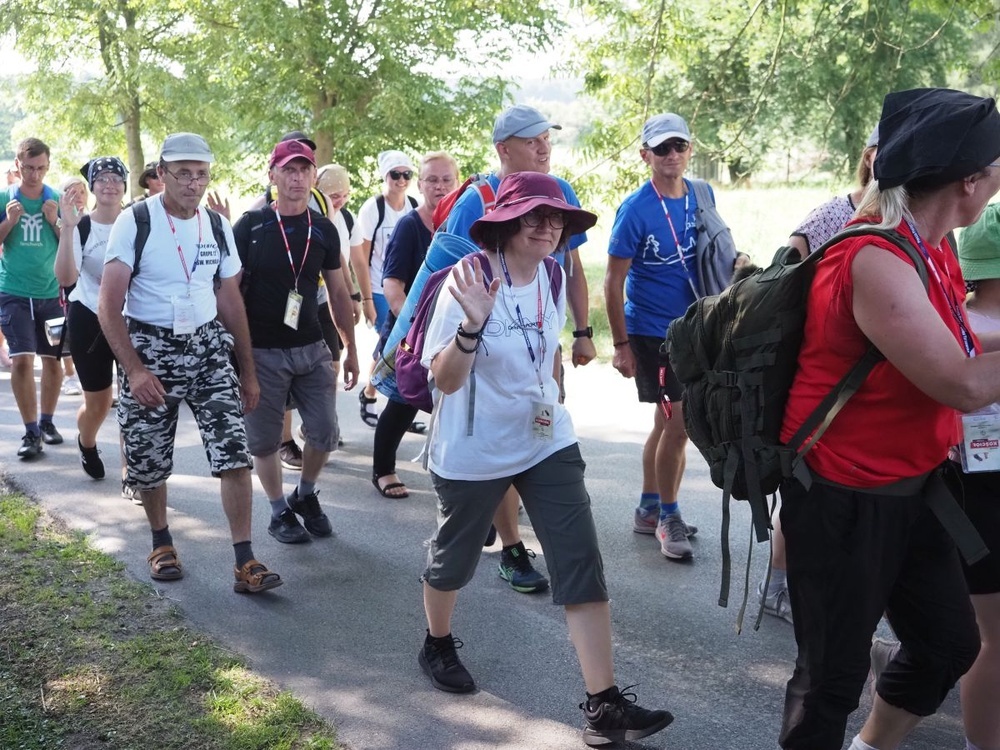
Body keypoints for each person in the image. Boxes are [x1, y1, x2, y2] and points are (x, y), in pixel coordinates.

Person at [777, 87, 1000, 750]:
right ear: (968, 181)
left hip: (911, 488)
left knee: (949, 643)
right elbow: (960, 382)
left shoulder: (932, 246)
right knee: (830, 681)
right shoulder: (873, 256)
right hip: (842, 496)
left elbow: (956, 336)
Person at [417, 171, 673, 746]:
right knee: (453, 562)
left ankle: (604, 705)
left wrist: (552, 398)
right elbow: (445, 381)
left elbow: (546, 349)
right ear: (505, 224)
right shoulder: (468, 277)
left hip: (544, 439)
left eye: (556, 218)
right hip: (475, 448)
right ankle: (437, 642)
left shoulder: (553, 275)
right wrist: (471, 326)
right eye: (534, 216)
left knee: (580, 559)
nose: (548, 226)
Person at [97, 132, 281, 594]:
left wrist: (248, 371)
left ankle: (245, 560)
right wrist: (135, 369)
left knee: (233, 451)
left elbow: (230, 299)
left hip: (207, 348)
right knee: (148, 459)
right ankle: (161, 542)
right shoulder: (135, 221)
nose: (193, 183)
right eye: (182, 173)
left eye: (201, 174)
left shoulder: (216, 226)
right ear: (162, 173)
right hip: (149, 348)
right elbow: (108, 305)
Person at [442, 103, 598, 593]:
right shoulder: (475, 200)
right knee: (501, 444)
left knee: (534, 428)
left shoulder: (561, 192)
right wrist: (468, 328)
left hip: (536, 350)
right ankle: (510, 544)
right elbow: (450, 277)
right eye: (532, 140)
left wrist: (581, 332)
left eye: (546, 138)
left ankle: (510, 534)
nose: (544, 147)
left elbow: (570, 269)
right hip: (479, 358)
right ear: (503, 149)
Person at [605, 113, 746, 560]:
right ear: (645, 155)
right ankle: (668, 516)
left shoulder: (702, 194)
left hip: (696, 326)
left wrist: (738, 263)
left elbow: (714, 249)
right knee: (679, 424)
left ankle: (650, 509)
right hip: (654, 335)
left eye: (679, 146)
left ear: (690, 149)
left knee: (666, 423)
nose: (671, 155)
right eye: (661, 148)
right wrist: (621, 346)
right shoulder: (635, 210)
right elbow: (612, 281)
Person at [758, 124, 880, 625]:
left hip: (869, 385)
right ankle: (778, 585)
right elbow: (783, 281)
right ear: (869, 157)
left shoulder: (913, 220)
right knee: (806, 486)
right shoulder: (832, 214)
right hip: (822, 377)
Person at [232, 138, 359, 544]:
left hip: (311, 345)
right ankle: (277, 511)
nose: (297, 178)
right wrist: (240, 358)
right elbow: (229, 294)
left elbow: (338, 292)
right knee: (265, 440)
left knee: (323, 431)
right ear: (272, 175)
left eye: (304, 170)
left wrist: (351, 349)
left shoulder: (323, 229)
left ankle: (304, 494)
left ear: (314, 176)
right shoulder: (251, 227)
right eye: (288, 169)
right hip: (261, 350)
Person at [943, 209, 1000, 750]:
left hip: (972, 492)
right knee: (996, 641)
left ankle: (902, 657)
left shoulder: (952, 320)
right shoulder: (964, 330)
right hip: (978, 496)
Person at [372, 151, 458, 498]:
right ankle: (383, 470)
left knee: (456, 405)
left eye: (446, 180)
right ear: (420, 185)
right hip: (412, 332)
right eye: (432, 180)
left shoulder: (466, 223)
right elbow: (392, 284)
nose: (440, 186)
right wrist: (414, 328)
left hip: (453, 332)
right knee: (403, 402)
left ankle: (466, 480)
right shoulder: (409, 226)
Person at [54, 157, 128, 480]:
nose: (109, 184)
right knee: (100, 402)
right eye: (102, 179)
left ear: (125, 185)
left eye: (116, 178)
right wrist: (68, 227)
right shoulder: (81, 225)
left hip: (132, 320)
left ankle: (132, 472)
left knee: (135, 401)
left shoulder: (137, 222)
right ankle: (87, 441)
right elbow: (66, 278)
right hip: (89, 319)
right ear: (92, 187)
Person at [0, 137, 66, 459]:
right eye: (28, 167)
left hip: (50, 294)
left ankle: (47, 422)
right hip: (13, 291)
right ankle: (30, 432)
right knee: (22, 359)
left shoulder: (57, 199)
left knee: (53, 361)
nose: (35, 174)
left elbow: (72, 243)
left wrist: (55, 222)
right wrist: (9, 222)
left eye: (41, 168)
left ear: (48, 166)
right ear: (18, 165)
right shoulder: (4, 198)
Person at [351, 149, 418, 428]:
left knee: (403, 346)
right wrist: (366, 298)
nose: (401, 180)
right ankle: (371, 394)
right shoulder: (373, 209)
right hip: (380, 289)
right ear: (385, 176)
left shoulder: (414, 205)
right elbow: (361, 257)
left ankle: (397, 405)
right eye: (395, 174)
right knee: (391, 345)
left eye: (406, 174)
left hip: (407, 289)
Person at [57, 175, 90, 397]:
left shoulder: (94, 219)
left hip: (89, 283)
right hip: (68, 282)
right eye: (72, 191)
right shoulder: (61, 220)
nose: (78, 196)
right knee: (68, 328)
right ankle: (70, 375)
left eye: (82, 191)